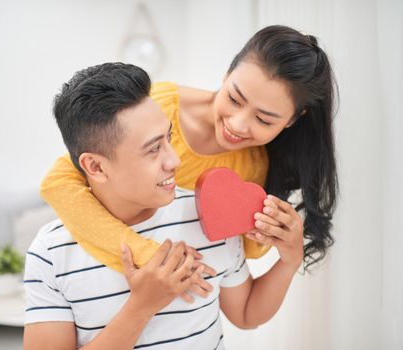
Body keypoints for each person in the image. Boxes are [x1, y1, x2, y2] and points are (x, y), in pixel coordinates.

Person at [23, 62, 304, 349]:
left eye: (168, 138)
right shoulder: (51, 253)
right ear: (95, 166)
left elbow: (246, 315)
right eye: (153, 149)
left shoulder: (209, 215)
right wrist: (142, 307)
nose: (175, 161)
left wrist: (289, 260)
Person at [40, 24, 337, 272]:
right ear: (227, 75)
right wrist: (147, 255)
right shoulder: (159, 106)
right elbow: (59, 181)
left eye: (263, 119)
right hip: (98, 264)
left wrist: (271, 232)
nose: (237, 124)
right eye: (234, 98)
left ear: (293, 120)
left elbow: (238, 254)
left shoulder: (253, 168)